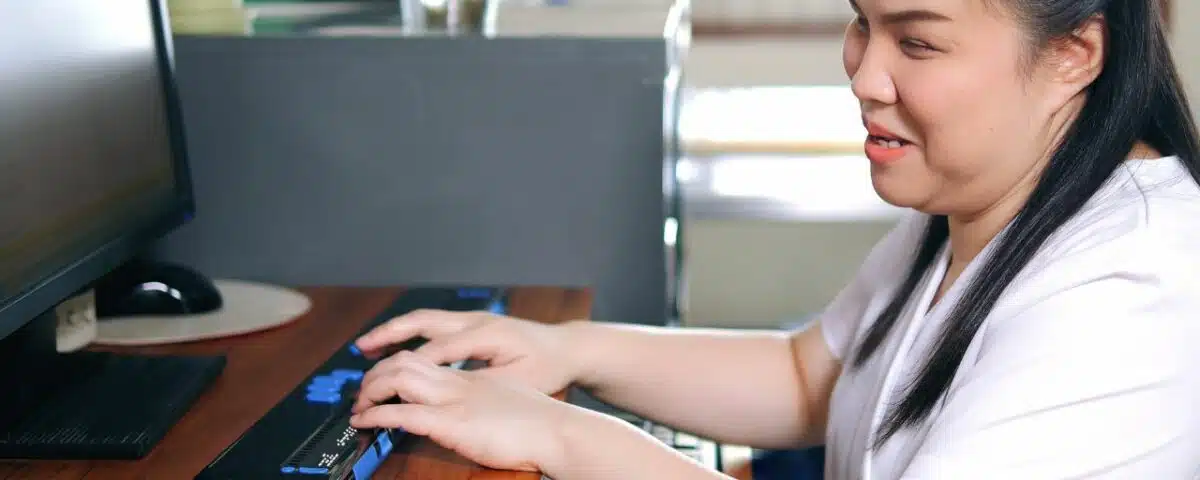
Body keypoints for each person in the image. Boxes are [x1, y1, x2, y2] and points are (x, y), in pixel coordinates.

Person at [349, 0, 1200, 478]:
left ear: (1073, 56)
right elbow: (810, 378)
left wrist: (565, 437)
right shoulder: (987, 197)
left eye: (918, 42)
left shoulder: (1133, 290)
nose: (864, 74)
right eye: (863, 22)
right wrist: (563, 349)